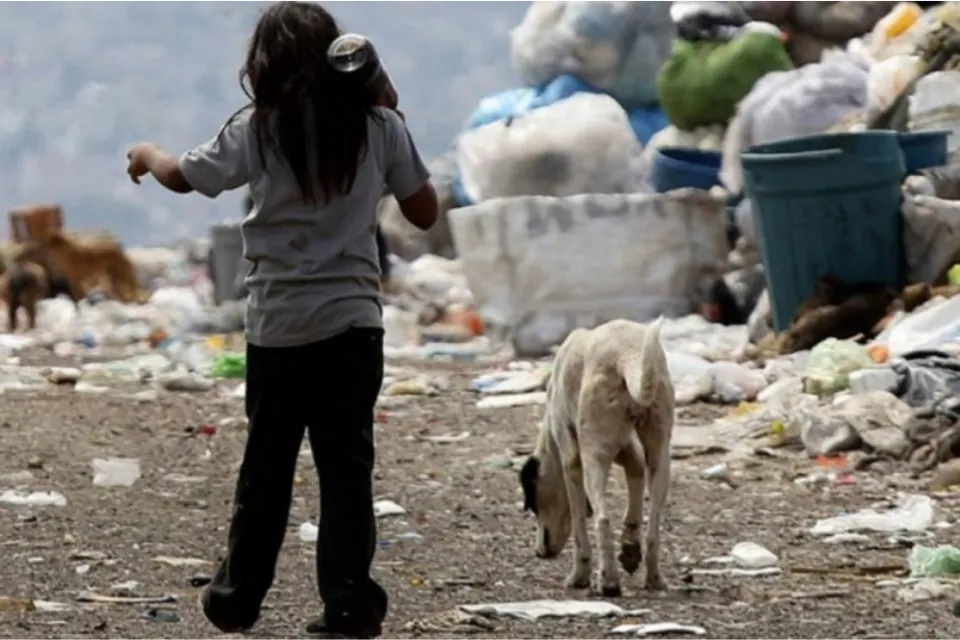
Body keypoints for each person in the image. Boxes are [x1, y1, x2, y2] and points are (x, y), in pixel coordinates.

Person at [124, 3, 439, 637]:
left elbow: (186, 177)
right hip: (354, 326)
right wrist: (391, 107)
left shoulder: (259, 128)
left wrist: (147, 154)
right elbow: (426, 211)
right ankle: (349, 605)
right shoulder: (377, 126)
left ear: (261, 64)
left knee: (266, 468)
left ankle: (237, 598)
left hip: (279, 327)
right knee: (346, 470)